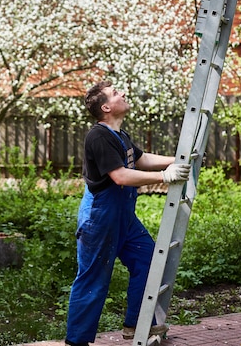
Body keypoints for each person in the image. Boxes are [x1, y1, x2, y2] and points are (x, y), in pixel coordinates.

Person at [65, 81, 191, 346]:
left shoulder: (120, 136)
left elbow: (140, 160)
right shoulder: (97, 136)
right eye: (115, 93)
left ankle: (135, 324)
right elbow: (120, 176)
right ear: (106, 107)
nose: (122, 93)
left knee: (149, 260)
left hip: (123, 216)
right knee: (93, 279)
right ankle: (76, 341)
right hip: (99, 217)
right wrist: (164, 177)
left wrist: (176, 159)